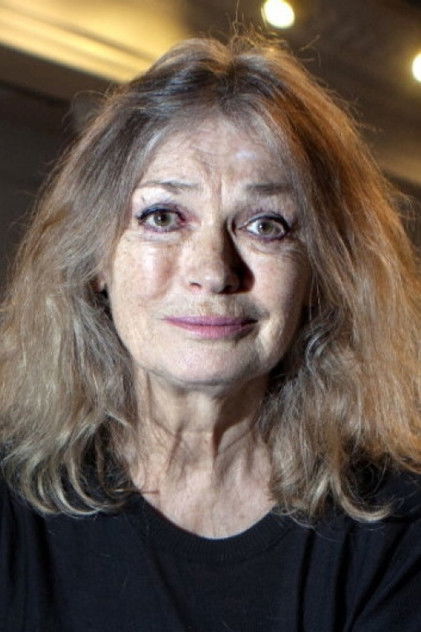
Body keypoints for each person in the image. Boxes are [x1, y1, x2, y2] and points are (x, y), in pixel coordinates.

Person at [0, 34, 420, 632]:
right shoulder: (12, 501)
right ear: (95, 259)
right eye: (162, 217)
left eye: (266, 225)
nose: (214, 271)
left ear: (322, 273)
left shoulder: (396, 525)